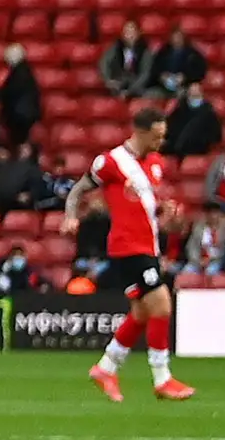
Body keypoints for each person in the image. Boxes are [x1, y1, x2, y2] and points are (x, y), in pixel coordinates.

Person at [77, 99, 193, 405]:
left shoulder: (155, 164)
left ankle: (106, 367)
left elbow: (144, 205)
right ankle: (162, 378)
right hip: (128, 247)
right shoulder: (111, 162)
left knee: (142, 312)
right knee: (162, 305)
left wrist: (165, 212)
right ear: (139, 132)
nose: (160, 141)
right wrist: (70, 214)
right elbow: (82, 187)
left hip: (148, 245)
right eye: (156, 136)